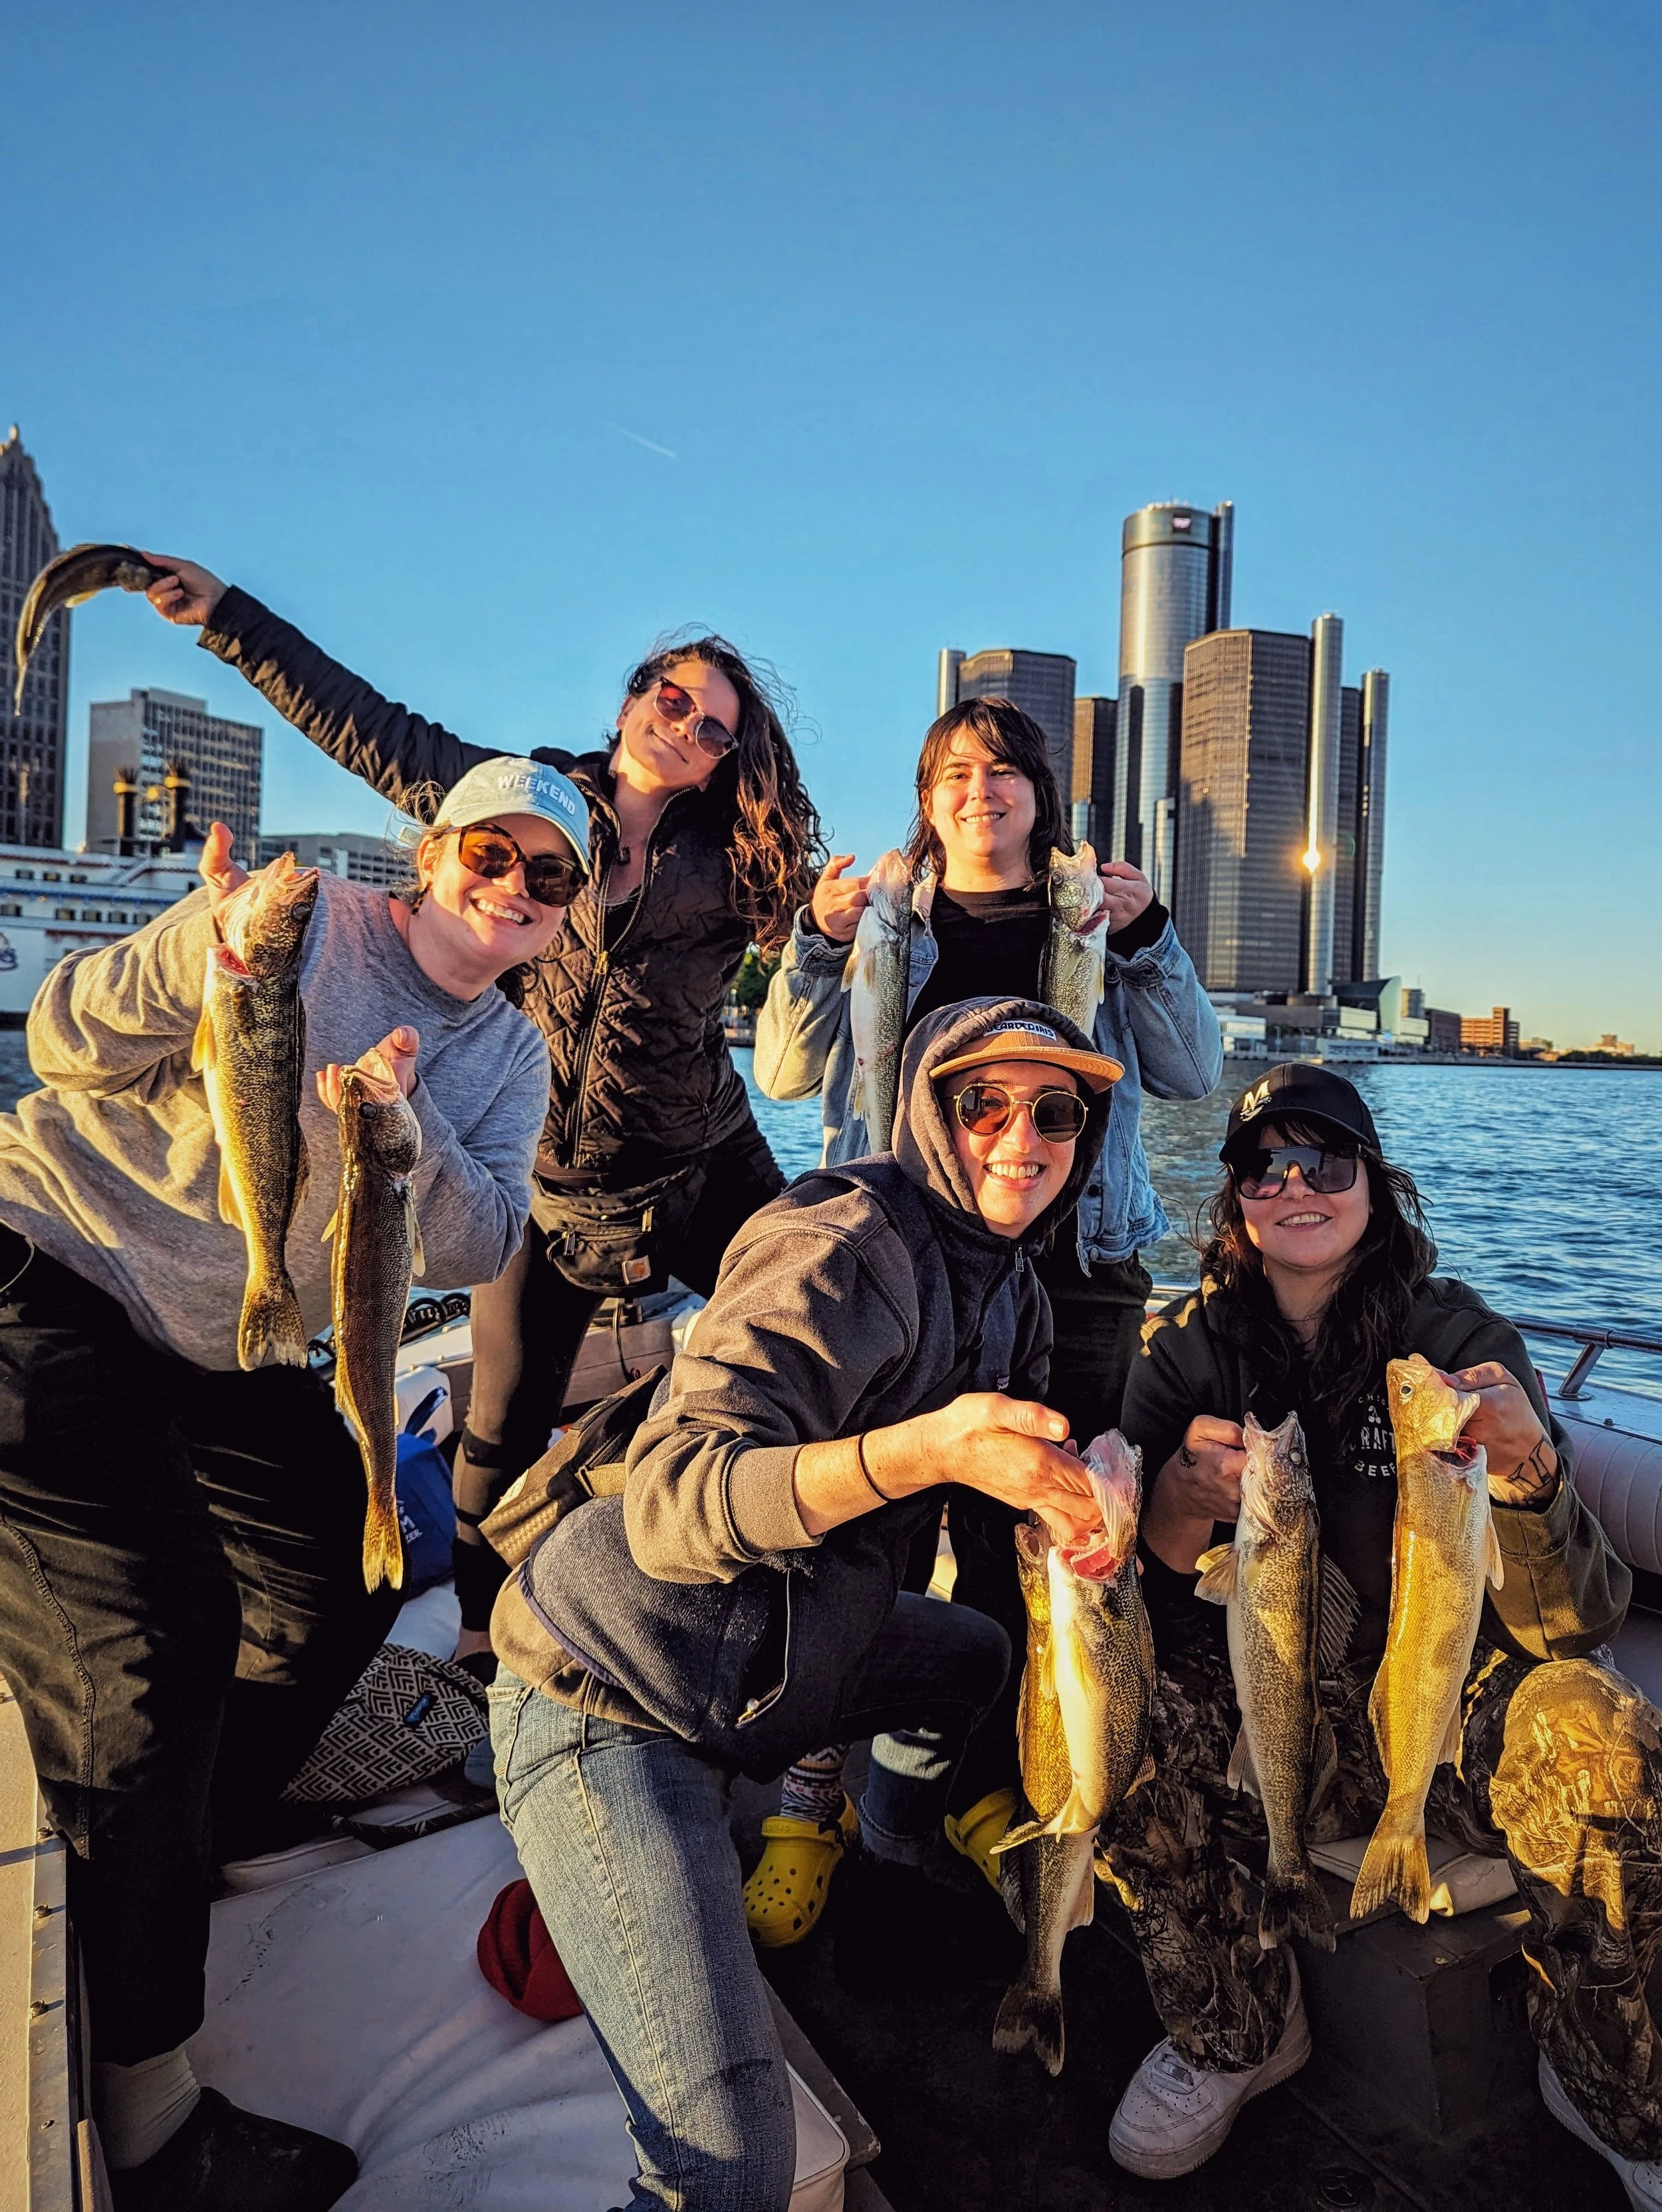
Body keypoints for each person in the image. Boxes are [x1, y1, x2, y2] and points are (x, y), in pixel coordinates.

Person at [0, 755, 577, 2211]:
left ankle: (197, 1831)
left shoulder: (510, 1057)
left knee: (332, 1561)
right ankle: (149, 2109)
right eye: (489, 855)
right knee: (159, 1632)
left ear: (568, 913)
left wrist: (403, 1108)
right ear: (431, 852)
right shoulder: (301, 923)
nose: (510, 888)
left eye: (547, 876)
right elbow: (65, 1039)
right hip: (45, 1267)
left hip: (232, 1329)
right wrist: (204, 949)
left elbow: (472, 1241)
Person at [487, 997, 1122, 2211]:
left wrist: (1085, 1516)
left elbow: (1005, 1514)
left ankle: (882, 1874)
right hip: (613, 1686)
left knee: (974, 1655)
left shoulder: (1018, 1297)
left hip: (783, 1661)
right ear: (930, 1109)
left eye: (1054, 1111)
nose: (1020, 1137)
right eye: (984, 1102)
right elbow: (673, 1506)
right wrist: (922, 1452)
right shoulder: (842, 1243)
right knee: (731, 2171)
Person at [143, 558, 822, 1664]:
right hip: (549, 1179)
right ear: (631, 699)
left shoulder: (734, 857)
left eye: (712, 731)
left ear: (722, 764)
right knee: (500, 1426)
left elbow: (828, 959)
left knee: (810, 1313)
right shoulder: (524, 803)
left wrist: (836, 919)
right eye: (674, 701)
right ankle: (471, 1640)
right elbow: (375, 729)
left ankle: (756, 1570)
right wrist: (231, 618)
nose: (687, 730)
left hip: (706, 1157)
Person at [1108, 1060, 1654, 2196]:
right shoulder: (1181, 1354)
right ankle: (1238, 2027)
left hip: (1443, 1705)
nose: (1297, 1183)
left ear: (1377, 1185)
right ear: (1236, 1197)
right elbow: (1135, 1608)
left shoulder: (1459, 1345)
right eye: (1266, 1164)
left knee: (1607, 1733)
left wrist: (1531, 1470)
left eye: (1329, 1159)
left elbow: (1578, 1620)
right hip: (1272, 1709)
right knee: (1122, 1714)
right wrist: (1170, 1506)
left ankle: (1615, 2084)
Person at [746, 695, 1221, 1938]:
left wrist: (1152, 934)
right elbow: (788, 1072)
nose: (981, 788)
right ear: (925, 793)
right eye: (954, 770)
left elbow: (1190, 1073)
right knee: (873, 1531)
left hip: (1077, 1264)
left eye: (1005, 769)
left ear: (1039, 794)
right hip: (902, 1259)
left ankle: (1002, 1777)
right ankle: (813, 1797)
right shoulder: (883, 921)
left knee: (1041, 1529)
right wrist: (813, 937)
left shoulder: (1095, 920)